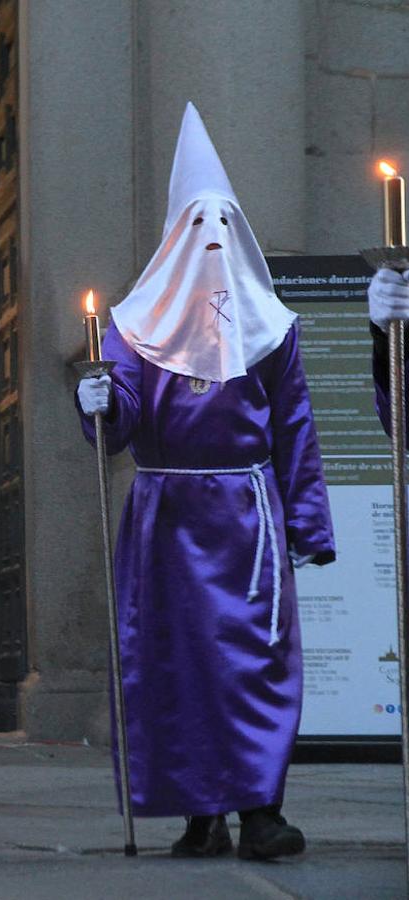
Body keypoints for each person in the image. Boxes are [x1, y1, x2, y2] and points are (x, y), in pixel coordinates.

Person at [74, 103, 334, 860]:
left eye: (224, 226)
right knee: (175, 661)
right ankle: (197, 815)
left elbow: (294, 428)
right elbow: (118, 417)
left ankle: (260, 810)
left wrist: (306, 527)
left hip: (246, 514)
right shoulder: (131, 325)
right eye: (197, 228)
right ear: (172, 240)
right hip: (166, 515)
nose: (212, 242)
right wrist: (98, 398)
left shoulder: (271, 327)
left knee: (254, 658)